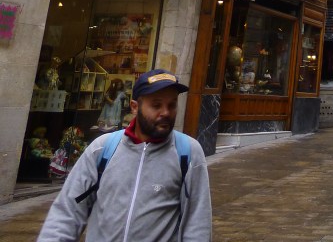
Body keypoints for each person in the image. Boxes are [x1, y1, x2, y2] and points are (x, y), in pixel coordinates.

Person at [37, 68, 212, 242]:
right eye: (156, 105)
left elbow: (198, 223)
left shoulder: (188, 152)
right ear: (135, 107)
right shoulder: (103, 149)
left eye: (172, 105)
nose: (165, 112)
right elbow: (68, 212)